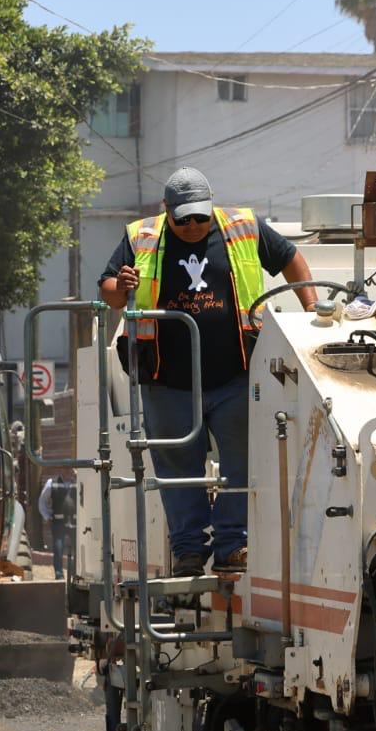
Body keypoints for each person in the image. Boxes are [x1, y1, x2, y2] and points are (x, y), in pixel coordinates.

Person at [100, 166, 318, 577]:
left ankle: (233, 545)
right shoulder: (141, 236)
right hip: (167, 381)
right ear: (167, 211)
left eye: (201, 216)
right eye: (184, 219)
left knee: (242, 463)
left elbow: (293, 260)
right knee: (178, 468)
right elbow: (109, 292)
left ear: (210, 206)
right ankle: (189, 552)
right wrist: (122, 285)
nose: (194, 225)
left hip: (236, 376)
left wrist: (311, 313)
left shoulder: (243, 228)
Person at [38, 470, 76, 579]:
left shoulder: (78, 481)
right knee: (58, 548)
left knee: (77, 549)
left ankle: (76, 573)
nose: (69, 472)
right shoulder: (52, 483)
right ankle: (59, 574)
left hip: (74, 523)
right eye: (67, 469)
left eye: (71, 469)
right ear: (62, 470)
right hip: (58, 523)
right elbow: (42, 501)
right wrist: (47, 516)